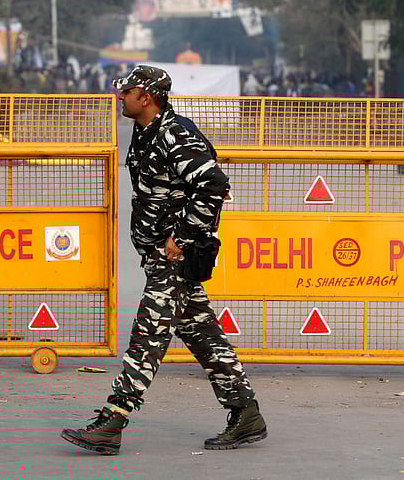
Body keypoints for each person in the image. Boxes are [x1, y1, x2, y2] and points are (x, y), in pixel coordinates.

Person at [60, 64, 267, 455]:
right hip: (158, 253)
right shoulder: (144, 132)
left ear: (148, 96)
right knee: (202, 334)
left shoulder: (177, 134)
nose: (120, 97)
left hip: (177, 255)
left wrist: (183, 237)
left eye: (128, 92)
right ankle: (245, 413)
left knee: (147, 335)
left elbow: (214, 186)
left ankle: (114, 419)